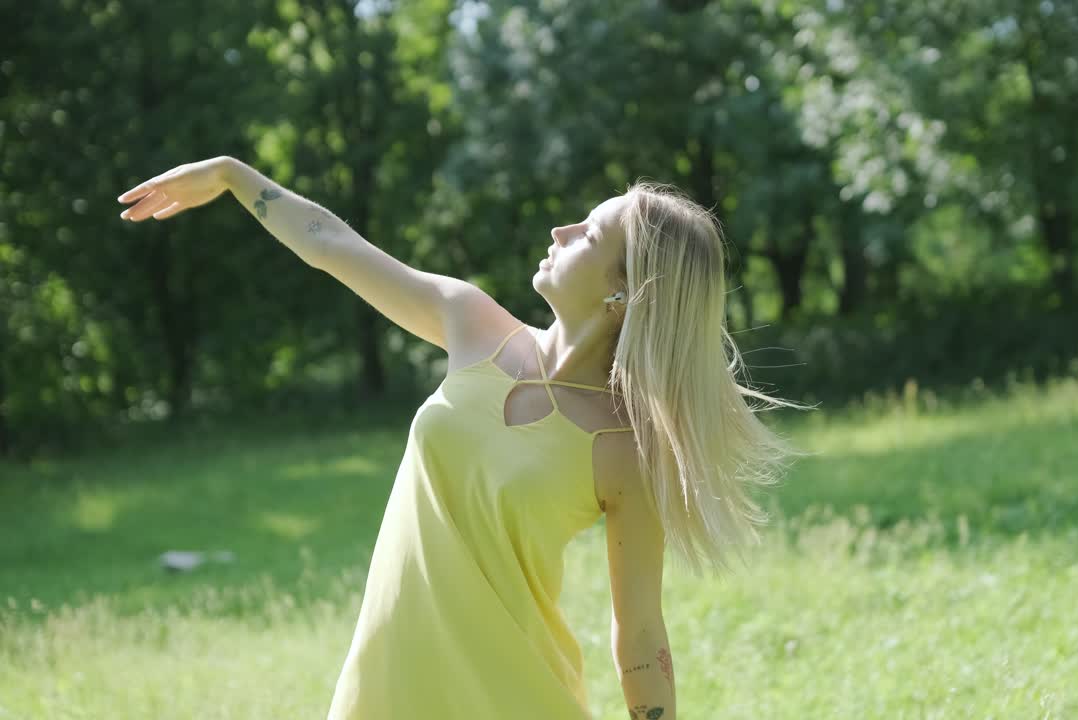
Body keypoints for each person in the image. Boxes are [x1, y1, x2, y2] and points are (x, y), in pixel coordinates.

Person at [117, 156, 814, 719]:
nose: (562, 230)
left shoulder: (621, 450)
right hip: (386, 688)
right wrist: (235, 176)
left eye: (590, 235)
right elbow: (331, 245)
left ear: (622, 294)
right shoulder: (472, 323)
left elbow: (639, 635)